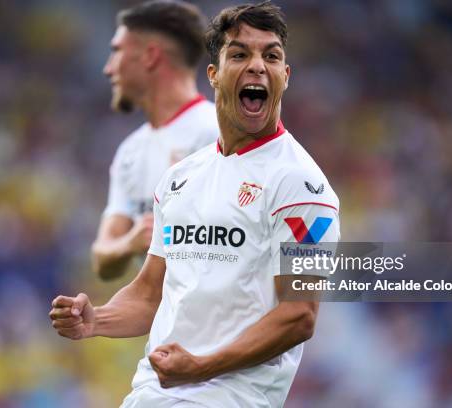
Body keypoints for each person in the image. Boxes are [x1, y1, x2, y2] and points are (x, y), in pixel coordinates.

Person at [50, 2, 340, 407]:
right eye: (240, 54)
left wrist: (202, 365)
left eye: (271, 55)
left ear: (285, 76)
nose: (258, 66)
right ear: (214, 75)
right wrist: (97, 319)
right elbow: (151, 294)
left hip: (229, 397)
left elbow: (300, 316)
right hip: (152, 392)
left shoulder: (302, 185)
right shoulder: (179, 180)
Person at [93, 0, 219, 280]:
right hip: (168, 319)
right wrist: (131, 241)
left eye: (116, 52)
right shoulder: (130, 152)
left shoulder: (218, 134)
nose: (108, 68)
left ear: (150, 56)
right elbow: (103, 259)